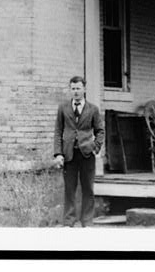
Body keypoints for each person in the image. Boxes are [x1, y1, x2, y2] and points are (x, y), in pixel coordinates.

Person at [52, 75, 105, 227]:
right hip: (69, 155)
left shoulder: (93, 109)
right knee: (69, 189)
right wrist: (58, 153)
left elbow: (100, 131)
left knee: (88, 188)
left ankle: (87, 221)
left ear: (84, 89)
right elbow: (58, 131)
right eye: (73, 88)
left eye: (78, 88)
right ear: (70, 89)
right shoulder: (63, 108)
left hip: (87, 154)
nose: (75, 92)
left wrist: (95, 146)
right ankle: (69, 221)